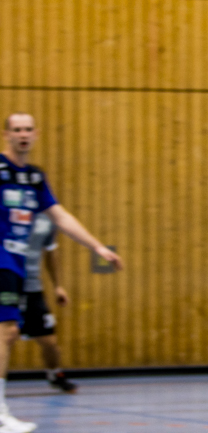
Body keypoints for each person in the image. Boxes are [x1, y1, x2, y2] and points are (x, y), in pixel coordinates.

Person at [0, 113, 124, 433]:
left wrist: (97, 246)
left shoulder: (34, 178)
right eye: (17, 130)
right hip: (1, 260)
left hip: (15, 261)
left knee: (8, 333)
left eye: (28, 129)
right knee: (6, 332)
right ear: (6, 134)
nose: (23, 134)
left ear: (36, 134)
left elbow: (61, 216)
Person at [21, 211, 76, 393]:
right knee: (6, 335)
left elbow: (51, 252)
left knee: (49, 341)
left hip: (32, 289)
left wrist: (58, 286)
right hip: (7, 285)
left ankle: (55, 374)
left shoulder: (47, 218)